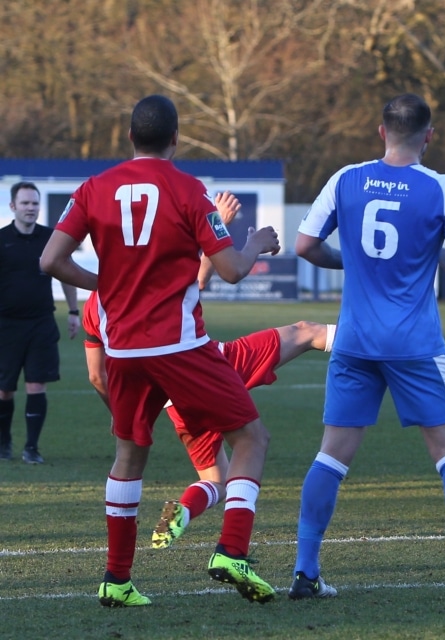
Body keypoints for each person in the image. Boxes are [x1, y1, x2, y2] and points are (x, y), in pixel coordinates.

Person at [39, 94, 282, 607]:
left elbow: (50, 260)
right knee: (251, 438)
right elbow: (234, 269)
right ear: (176, 139)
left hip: (123, 349)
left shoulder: (92, 189)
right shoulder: (189, 190)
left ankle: (116, 580)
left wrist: (103, 284)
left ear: (130, 138)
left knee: (130, 455)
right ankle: (232, 551)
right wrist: (258, 241)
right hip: (180, 347)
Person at [292, 93, 445, 599]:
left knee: (331, 456)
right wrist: (425, 257)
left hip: (354, 342)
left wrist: (353, 261)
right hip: (414, 344)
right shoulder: (441, 187)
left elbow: (304, 245)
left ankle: (305, 571)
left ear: (380, 131)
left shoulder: (345, 178)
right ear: (428, 136)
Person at [80, 287, 336, 550]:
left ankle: (185, 510)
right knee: (307, 332)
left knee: (217, 481)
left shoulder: (93, 303)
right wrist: (250, 246)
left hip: (170, 399)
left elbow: (97, 376)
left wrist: (119, 413)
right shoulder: (154, 270)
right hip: (205, 370)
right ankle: (374, 345)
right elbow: (209, 273)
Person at [0, 181, 79, 464]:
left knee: (36, 385)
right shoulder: (2, 239)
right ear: (13, 207)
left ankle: (31, 447)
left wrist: (73, 312)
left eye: (34, 203)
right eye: (25, 203)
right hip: (6, 326)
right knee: (4, 388)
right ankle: (3, 442)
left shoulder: (51, 238)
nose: (30, 208)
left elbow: (66, 273)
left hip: (41, 324)